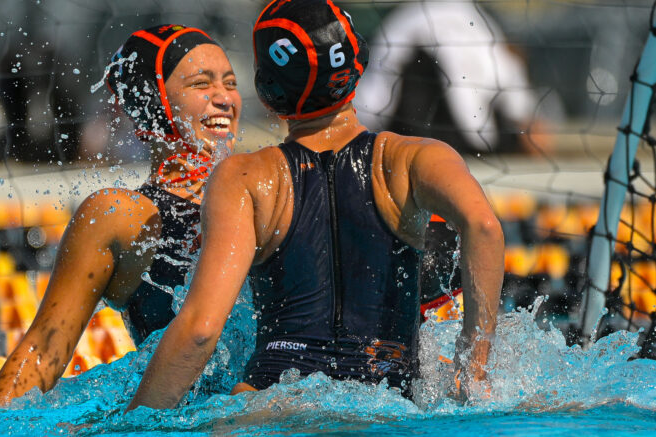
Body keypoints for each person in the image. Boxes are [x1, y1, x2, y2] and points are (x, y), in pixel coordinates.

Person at [125, 0, 503, 412]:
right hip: (391, 404)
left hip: (270, 405)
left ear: (268, 93)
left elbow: (200, 330)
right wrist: (475, 366)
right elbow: (483, 227)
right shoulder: (415, 158)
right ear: (358, 65)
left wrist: (132, 421)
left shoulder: (243, 178)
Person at [0, 24, 241, 406]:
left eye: (230, 82)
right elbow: (44, 348)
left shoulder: (265, 187)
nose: (224, 98)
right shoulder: (122, 216)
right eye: (202, 83)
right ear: (154, 104)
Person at [355, 0, 553, 155]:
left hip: (417, 134)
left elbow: (372, 100)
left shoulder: (401, 21)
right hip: (446, 135)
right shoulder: (480, 24)